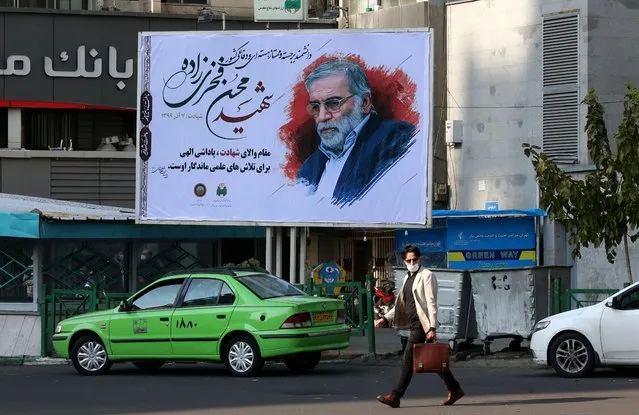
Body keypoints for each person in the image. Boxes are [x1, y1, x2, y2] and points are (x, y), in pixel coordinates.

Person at [296, 59, 417, 207]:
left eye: (334, 103)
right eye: (315, 106)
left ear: (365, 103)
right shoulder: (309, 166)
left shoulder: (397, 139)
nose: (322, 116)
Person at [375, 245, 464, 408]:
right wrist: (384, 318)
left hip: (421, 325)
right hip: (413, 323)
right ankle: (455, 389)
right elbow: (400, 304)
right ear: (404, 261)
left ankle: (396, 396)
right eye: (408, 260)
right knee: (434, 359)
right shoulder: (408, 278)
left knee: (408, 358)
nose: (412, 262)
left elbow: (431, 302)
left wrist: (431, 327)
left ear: (419, 259)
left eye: (414, 259)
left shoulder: (427, 275)